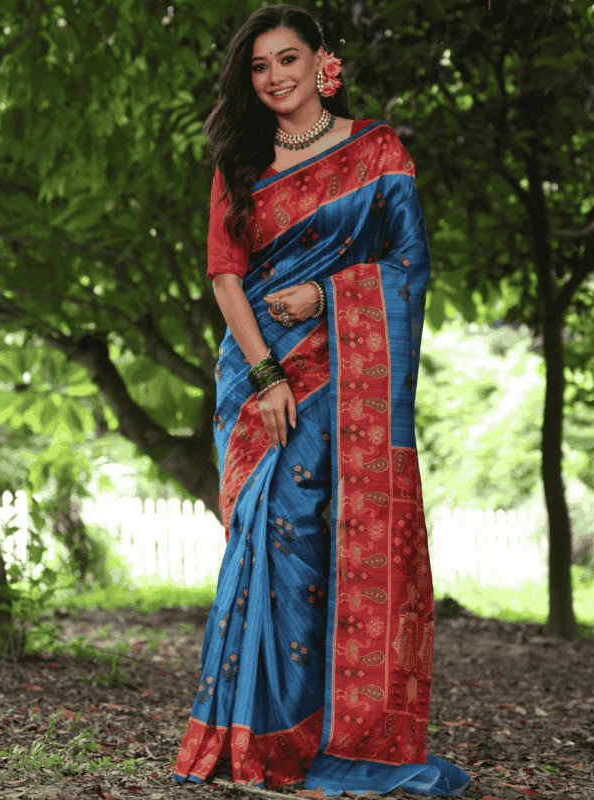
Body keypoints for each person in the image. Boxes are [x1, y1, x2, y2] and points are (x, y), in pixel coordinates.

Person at [172, 5, 471, 797]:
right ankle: (259, 738)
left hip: (345, 373)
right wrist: (267, 376)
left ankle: (332, 736)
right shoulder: (240, 161)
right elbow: (226, 277)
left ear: (322, 62)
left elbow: (409, 264)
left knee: (318, 535)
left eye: (287, 59)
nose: (274, 77)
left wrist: (332, 295)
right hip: (257, 376)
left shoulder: (379, 152)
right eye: (260, 67)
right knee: (268, 533)